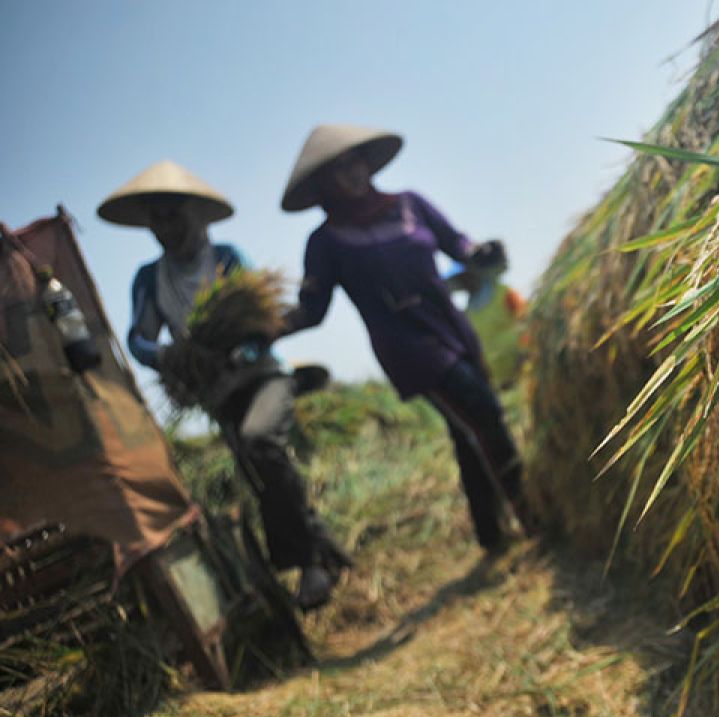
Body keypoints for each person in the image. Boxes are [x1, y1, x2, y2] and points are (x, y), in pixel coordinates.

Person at [98, 160, 350, 610]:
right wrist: (168, 357)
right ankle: (324, 553)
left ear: (196, 214)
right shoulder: (149, 280)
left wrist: (240, 353)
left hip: (263, 379)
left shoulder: (227, 260)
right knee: (260, 474)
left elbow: (261, 319)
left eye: (173, 214)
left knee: (261, 440)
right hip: (217, 395)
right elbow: (139, 337)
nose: (165, 227)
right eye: (155, 219)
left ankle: (306, 563)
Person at [277, 124, 530, 553]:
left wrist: (478, 253)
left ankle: (491, 534)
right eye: (339, 169)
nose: (352, 172)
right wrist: (264, 324)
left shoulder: (411, 205)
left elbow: (456, 242)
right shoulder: (324, 243)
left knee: (467, 431)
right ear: (324, 185)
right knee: (483, 413)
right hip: (408, 346)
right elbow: (312, 309)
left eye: (355, 161)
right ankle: (533, 513)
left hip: (451, 327)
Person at [443, 259, 529, 389]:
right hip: (502, 381)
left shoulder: (503, 292)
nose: (466, 280)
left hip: (527, 364)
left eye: (467, 275)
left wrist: (526, 352)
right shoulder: (467, 314)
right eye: (461, 278)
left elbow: (528, 319)